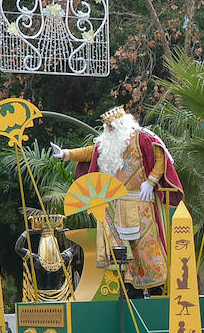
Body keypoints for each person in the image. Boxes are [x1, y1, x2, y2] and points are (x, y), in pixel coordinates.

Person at [51, 106, 183, 291]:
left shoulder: (141, 138)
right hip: (116, 205)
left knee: (146, 247)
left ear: (122, 124)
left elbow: (160, 157)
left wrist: (151, 182)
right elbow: (91, 152)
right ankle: (129, 287)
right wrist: (65, 154)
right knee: (123, 250)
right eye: (108, 127)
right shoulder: (107, 143)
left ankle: (155, 288)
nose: (110, 130)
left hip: (141, 201)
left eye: (112, 126)